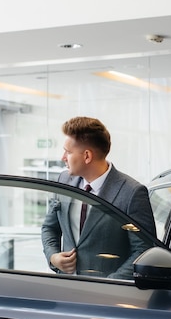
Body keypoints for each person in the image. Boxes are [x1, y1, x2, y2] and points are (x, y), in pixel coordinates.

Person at [41, 116, 156, 279]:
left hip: (106, 296)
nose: (63, 158)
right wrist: (53, 257)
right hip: (66, 287)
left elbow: (143, 251)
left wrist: (110, 285)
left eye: (68, 151)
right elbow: (49, 228)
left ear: (87, 156)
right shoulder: (63, 181)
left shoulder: (132, 193)